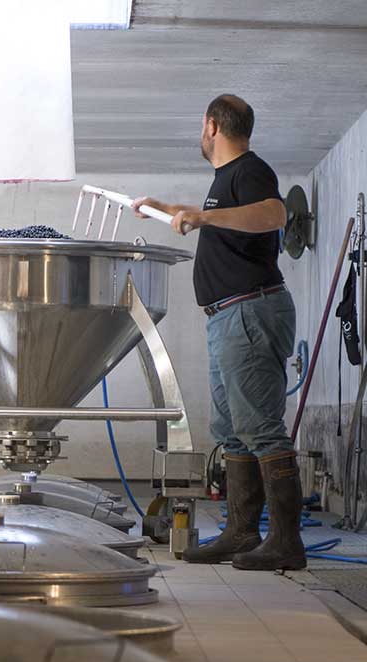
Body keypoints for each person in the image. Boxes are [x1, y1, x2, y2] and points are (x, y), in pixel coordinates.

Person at [133, 94, 305, 571]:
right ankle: (241, 533)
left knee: (259, 427)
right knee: (232, 430)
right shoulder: (225, 182)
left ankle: (286, 542)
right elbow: (230, 224)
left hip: (249, 310)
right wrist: (170, 209)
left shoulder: (249, 170)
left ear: (211, 125)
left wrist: (204, 216)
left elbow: (274, 216)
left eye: (201, 125)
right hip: (229, 315)